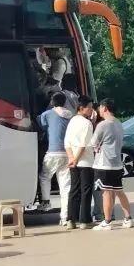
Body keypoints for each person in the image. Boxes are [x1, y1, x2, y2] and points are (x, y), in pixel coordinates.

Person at [30, 92, 73, 220]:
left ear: (52, 102)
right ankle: (65, 216)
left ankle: (46, 202)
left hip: (53, 152)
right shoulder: (71, 115)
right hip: (67, 153)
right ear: (65, 102)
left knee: (44, 176)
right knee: (65, 185)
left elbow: (41, 124)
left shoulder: (47, 114)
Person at [92, 98, 133, 230]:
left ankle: (107, 221)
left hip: (104, 163)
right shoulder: (118, 123)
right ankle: (128, 218)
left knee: (106, 193)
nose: (98, 110)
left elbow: (93, 142)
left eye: (100, 107)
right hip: (117, 164)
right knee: (119, 191)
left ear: (104, 108)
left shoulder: (102, 125)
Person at [64, 96, 96, 230]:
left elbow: (67, 142)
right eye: (90, 107)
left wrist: (71, 158)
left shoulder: (72, 121)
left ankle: (71, 220)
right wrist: (76, 159)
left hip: (73, 161)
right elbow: (83, 145)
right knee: (86, 190)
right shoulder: (87, 123)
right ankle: (85, 220)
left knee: (74, 190)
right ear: (82, 108)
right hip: (85, 161)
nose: (92, 110)